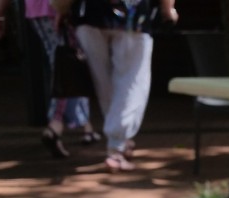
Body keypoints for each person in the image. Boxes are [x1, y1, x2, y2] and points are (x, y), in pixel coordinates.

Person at [66, 0, 178, 171]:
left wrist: (62, 8)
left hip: (88, 15)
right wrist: (168, 9)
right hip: (132, 17)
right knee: (131, 83)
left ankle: (119, 141)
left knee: (103, 83)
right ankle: (116, 147)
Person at [0, 0, 101, 158]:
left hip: (35, 11)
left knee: (67, 62)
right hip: (57, 8)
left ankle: (86, 126)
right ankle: (55, 126)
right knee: (68, 65)